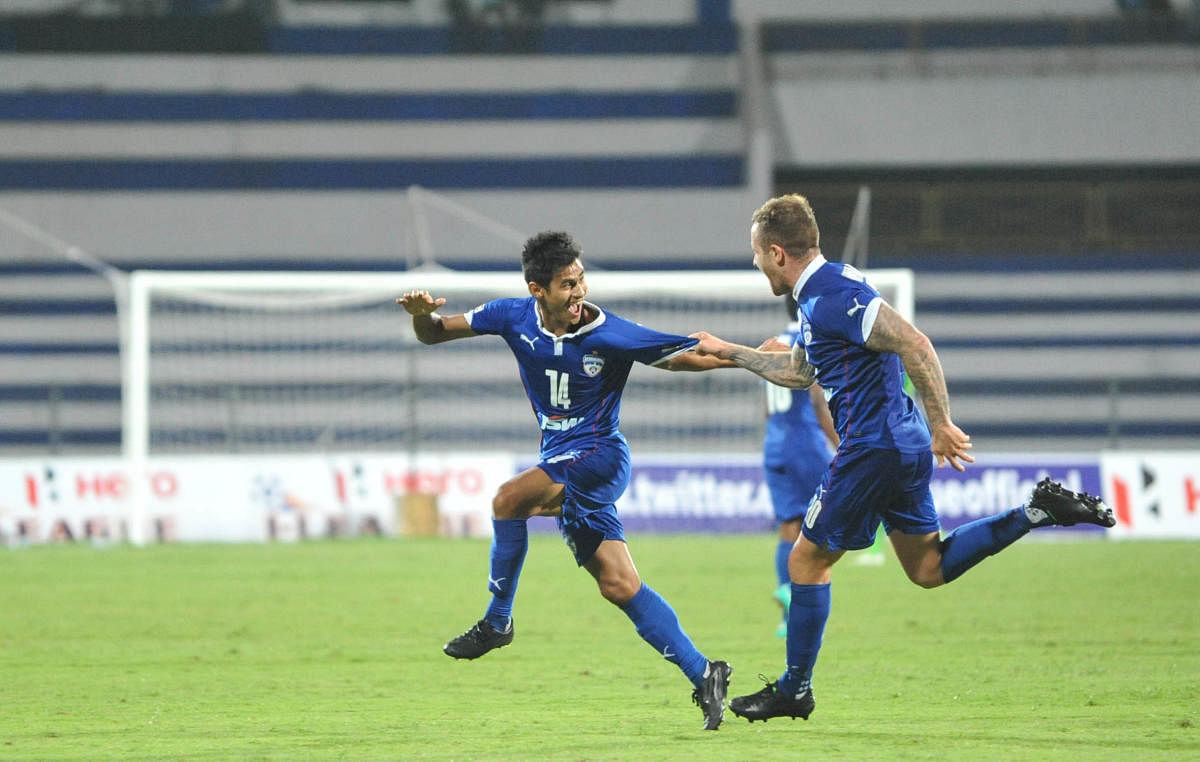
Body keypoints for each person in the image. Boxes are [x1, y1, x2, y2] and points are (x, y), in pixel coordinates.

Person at [690, 194, 1116, 723]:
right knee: (928, 568)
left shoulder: (832, 295)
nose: (754, 264)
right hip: (900, 443)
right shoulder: (825, 291)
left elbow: (915, 343)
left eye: (756, 254)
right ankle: (1037, 512)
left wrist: (943, 423)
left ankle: (795, 689)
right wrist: (729, 352)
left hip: (875, 447)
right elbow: (801, 372)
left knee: (805, 560)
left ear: (777, 253)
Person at [397, 230, 734, 730]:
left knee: (508, 498)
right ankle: (705, 672)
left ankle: (497, 620)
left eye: (581, 280)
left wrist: (757, 360)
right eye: (566, 285)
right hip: (561, 460)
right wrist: (421, 315)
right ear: (538, 291)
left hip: (601, 457)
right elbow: (433, 334)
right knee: (619, 585)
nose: (579, 293)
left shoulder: (610, 332)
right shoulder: (509, 316)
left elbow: (695, 355)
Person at [759, 295, 839, 638]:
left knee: (789, 526)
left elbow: (768, 407)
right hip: (804, 443)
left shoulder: (771, 344)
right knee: (827, 521)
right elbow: (819, 405)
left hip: (774, 444)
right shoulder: (807, 345)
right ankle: (804, 596)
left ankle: (786, 614)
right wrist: (842, 444)